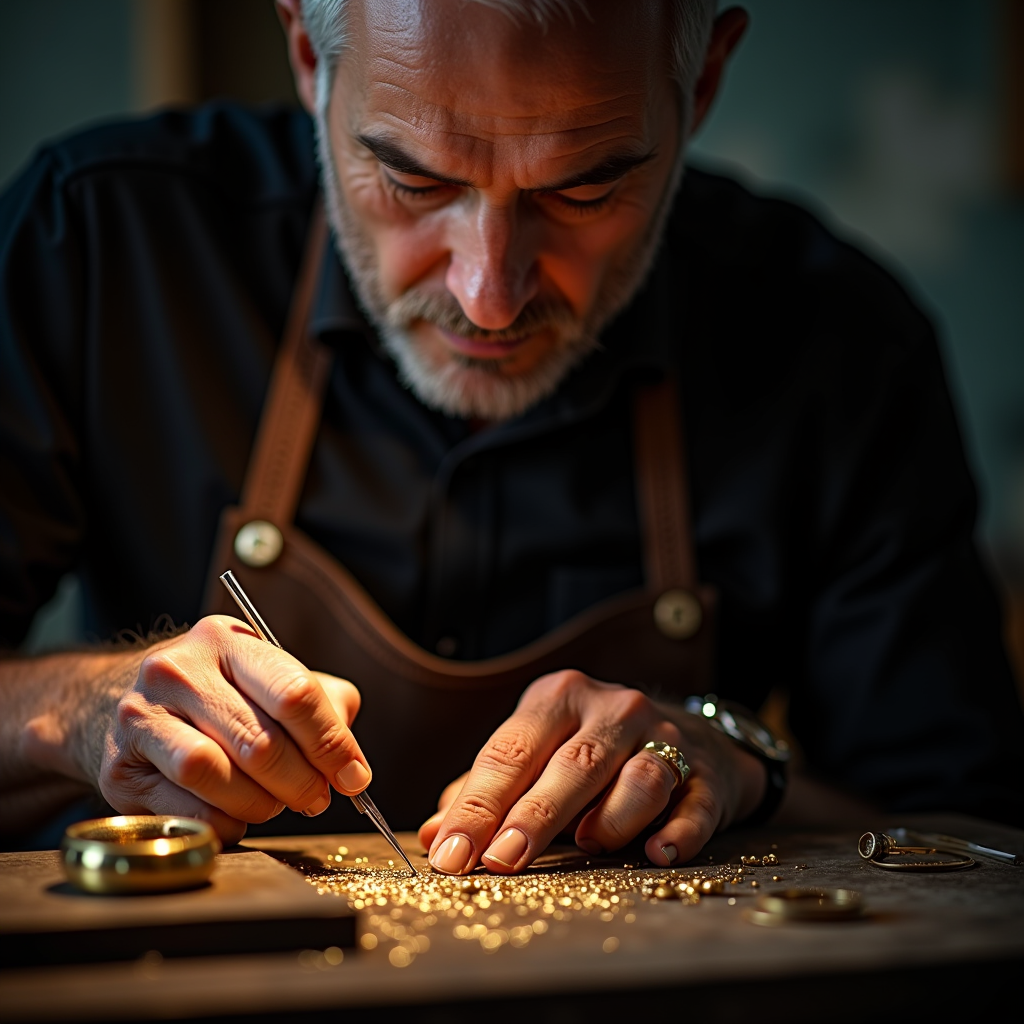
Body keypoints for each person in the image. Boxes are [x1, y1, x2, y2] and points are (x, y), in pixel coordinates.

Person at [1, 0, 1022, 871]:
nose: (488, 297)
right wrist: (72, 707)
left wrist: (733, 762)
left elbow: (975, 845)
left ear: (701, 81)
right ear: (312, 61)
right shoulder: (96, 244)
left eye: (581, 189)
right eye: (412, 182)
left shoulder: (835, 340)